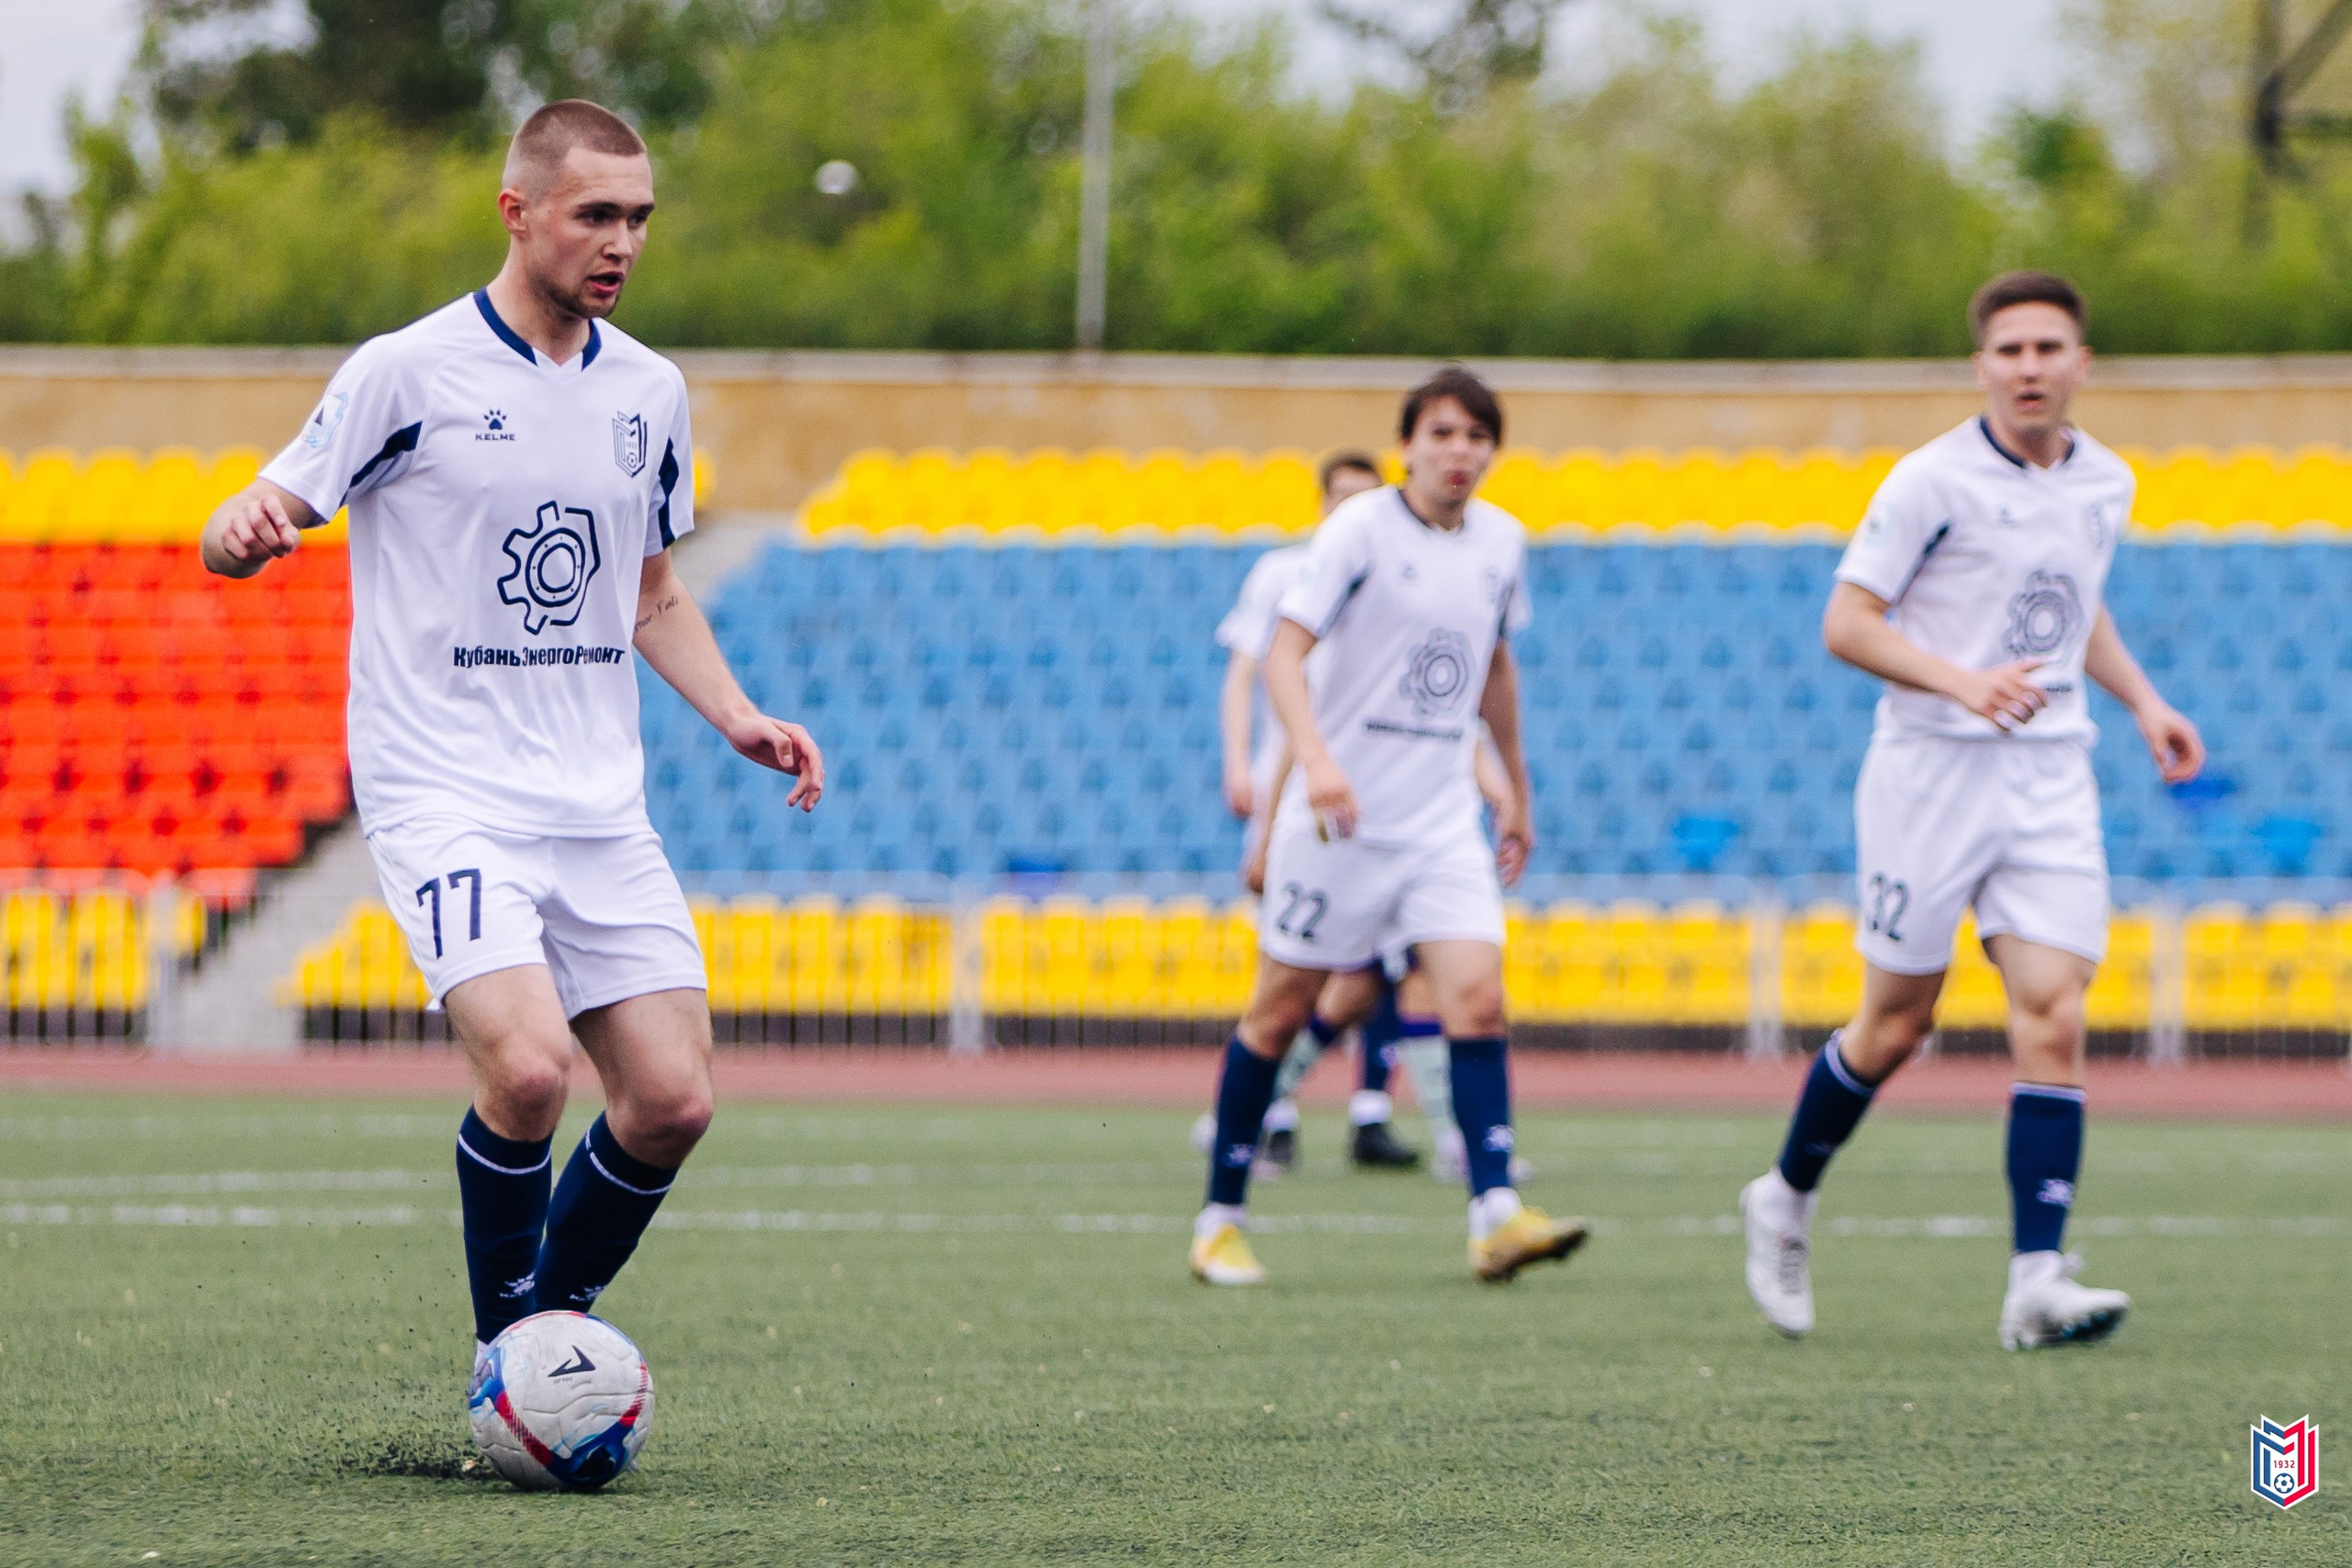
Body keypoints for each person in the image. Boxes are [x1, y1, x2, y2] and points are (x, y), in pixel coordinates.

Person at [199, 102, 824, 1380]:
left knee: (672, 1100)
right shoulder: (408, 372)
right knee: (532, 1069)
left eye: (639, 217)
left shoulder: (649, 390)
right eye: (596, 214)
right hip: (447, 789)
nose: (621, 243)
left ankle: (543, 1327)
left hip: (597, 801)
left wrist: (738, 713)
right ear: (518, 211)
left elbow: (647, 587)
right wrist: (244, 524)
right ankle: (515, 1363)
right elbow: (257, 508)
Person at [1738, 271, 2202, 1348]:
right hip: (1930, 774)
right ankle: (1784, 1194)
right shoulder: (1928, 482)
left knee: (2054, 1009)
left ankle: (2034, 1281)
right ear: (1981, 366)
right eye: (2009, 351)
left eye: (2048, 349)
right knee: (1897, 1022)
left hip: (2049, 773)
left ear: (2083, 362)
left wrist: (2144, 700)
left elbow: (2074, 610)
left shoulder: (2106, 482)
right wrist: (1960, 680)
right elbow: (1846, 624)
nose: (2029, 368)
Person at [1188, 367, 1585, 1287]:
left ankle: (1493, 1213)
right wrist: (1317, 763)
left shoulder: (1500, 542)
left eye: (1477, 437)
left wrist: (1514, 789)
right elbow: (1284, 657)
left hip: (1439, 818)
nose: (1460, 452)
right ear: (1408, 442)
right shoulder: (1358, 532)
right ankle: (1219, 1218)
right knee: (1282, 1010)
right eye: (1442, 434)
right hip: (1339, 821)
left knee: (1477, 999)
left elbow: (1494, 669)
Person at [1200, 451, 1420, 1172]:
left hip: (1385, 791)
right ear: (1323, 505)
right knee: (1292, 966)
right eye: (1344, 499)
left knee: (1388, 957)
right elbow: (1249, 670)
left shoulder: (1404, 575)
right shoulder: (1281, 573)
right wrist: (1241, 764)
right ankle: (1276, 1115)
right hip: (1296, 787)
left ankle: (1371, 1109)